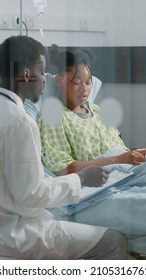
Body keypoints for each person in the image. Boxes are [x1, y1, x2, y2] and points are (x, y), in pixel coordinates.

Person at [0, 35, 128, 260]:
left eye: (88, 82)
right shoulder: (21, 121)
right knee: (113, 242)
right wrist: (82, 179)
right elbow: (31, 195)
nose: (45, 82)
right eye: (42, 74)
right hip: (14, 233)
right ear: (27, 76)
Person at [31, 46, 146, 256]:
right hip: (95, 189)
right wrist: (118, 159)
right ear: (58, 80)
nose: (84, 89)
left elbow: (117, 148)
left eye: (88, 81)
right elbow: (64, 169)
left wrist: (135, 154)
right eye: (76, 82)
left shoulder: (98, 111)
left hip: (124, 173)